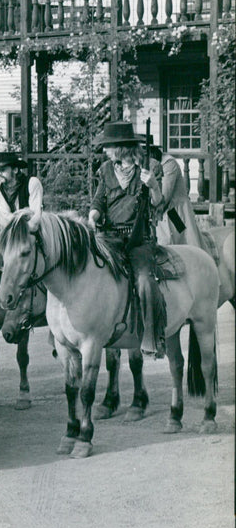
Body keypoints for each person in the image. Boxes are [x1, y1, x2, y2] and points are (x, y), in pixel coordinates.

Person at [88, 121, 166, 358]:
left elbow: (157, 204)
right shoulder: (105, 170)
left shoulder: (149, 168)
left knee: (144, 282)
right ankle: (69, 332)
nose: (105, 151)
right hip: (108, 238)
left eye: (108, 146)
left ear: (120, 148)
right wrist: (93, 216)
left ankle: (151, 338)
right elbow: (99, 201)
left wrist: (153, 186)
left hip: (138, 241)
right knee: (82, 270)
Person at [150, 146, 205, 249]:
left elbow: (164, 197)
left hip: (175, 212)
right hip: (160, 212)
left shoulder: (169, 164)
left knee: (183, 242)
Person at [0, 153, 43, 223]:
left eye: (3, 170)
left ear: (15, 170)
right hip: (13, 227)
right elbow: (5, 215)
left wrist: (18, 216)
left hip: (35, 228)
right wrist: (23, 213)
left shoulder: (32, 183)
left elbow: (34, 216)